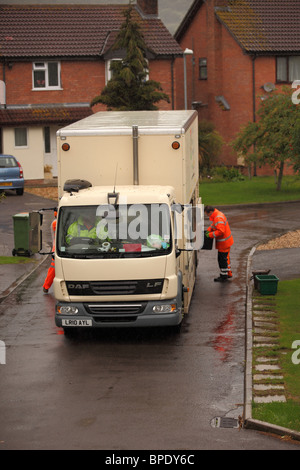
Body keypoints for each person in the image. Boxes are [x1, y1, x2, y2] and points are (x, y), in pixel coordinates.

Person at [204, 205, 234, 282]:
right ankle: (228, 273)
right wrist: (209, 229)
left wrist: (210, 235)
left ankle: (223, 276)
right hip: (226, 242)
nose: (208, 216)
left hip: (224, 243)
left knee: (222, 260)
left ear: (210, 212)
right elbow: (214, 225)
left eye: (207, 214)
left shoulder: (218, 217)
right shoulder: (217, 215)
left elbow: (221, 231)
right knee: (225, 258)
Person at [43, 210, 57, 293]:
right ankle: (46, 286)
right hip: (56, 250)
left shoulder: (54, 222)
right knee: (53, 269)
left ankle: (46, 286)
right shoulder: (55, 223)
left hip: (55, 249)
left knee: (53, 269)